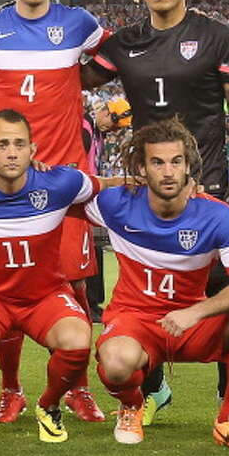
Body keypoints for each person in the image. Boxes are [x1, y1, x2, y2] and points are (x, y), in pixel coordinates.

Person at [82, 0, 229, 426]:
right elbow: (74, 77)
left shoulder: (216, 37)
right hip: (146, 186)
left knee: (228, 292)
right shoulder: (124, 43)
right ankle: (152, 389)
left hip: (209, 183)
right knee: (147, 291)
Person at [0, 0, 108, 423]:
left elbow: (102, 68)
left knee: (76, 289)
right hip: (6, 182)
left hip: (64, 181)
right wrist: (1, 107)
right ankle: (10, 389)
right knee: (7, 287)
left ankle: (77, 388)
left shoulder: (80, 24)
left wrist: (71, 95)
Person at [86, 117, 229, 453]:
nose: (168, 172)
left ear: (189, 166)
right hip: (135, 322)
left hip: (191, 323)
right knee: (115, 362)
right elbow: (65, 189)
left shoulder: (215, 215)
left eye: (176, 162)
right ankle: (132, 407)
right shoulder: (116, 204)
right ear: (141, 168)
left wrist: (196, 312)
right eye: (157, 162)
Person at [0, 110, 118, 444]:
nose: (12, 151)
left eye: (20, 144)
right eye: (2, 144)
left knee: (77, 340)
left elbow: (104, 186)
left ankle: (47, 406)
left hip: (45, 294)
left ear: (33, 150)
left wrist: (150, 182)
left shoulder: (61, 182)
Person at [82, 96, 132, 321]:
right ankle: (87, 303)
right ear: (105, 112)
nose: (112, 130)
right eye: (113, 123)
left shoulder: (97, 132)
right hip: (80, 195)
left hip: (90, 194)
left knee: (95, 249)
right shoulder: (83, 128)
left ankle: (93, 302)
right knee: (88, 249)